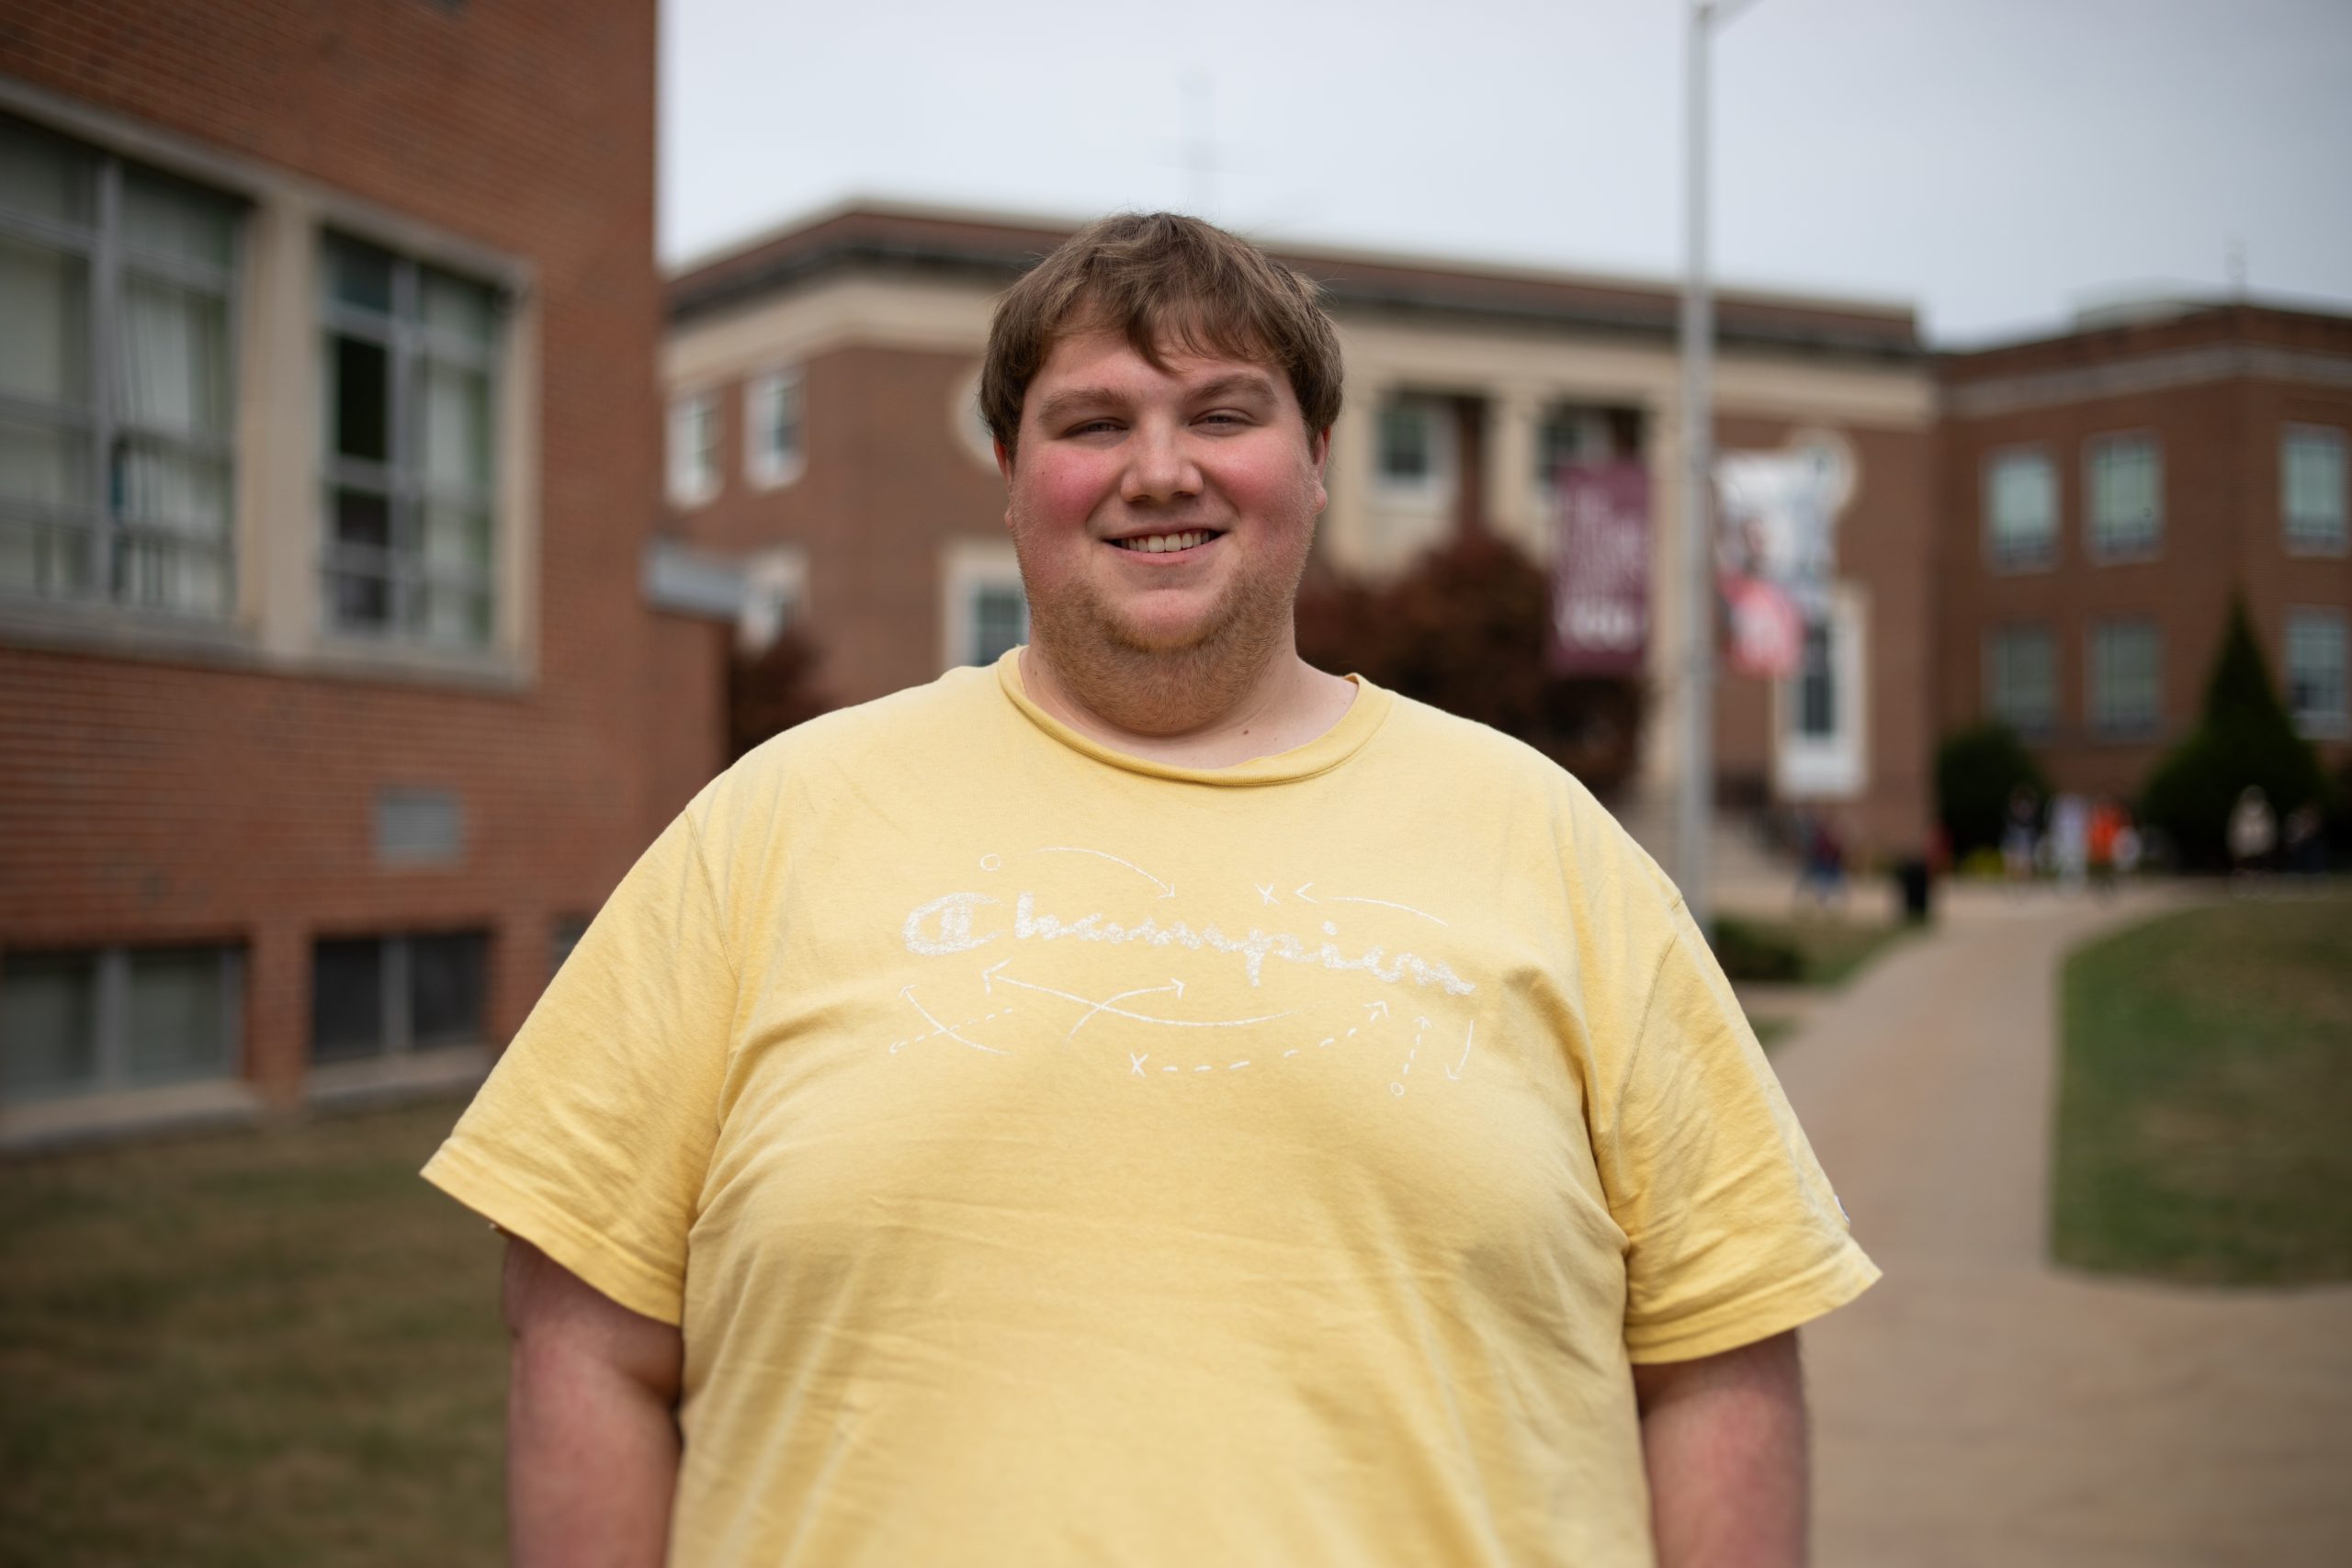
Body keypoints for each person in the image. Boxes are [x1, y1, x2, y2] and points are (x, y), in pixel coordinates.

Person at [424, 213, 1876, 1568]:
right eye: (1095, 421)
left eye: (1223, 415)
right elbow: (583, 1343)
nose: (1160, 468)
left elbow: (1719, 1357)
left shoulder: (1552, 848)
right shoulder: (769, 829)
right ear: (1010, 470)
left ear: (1315, 456)